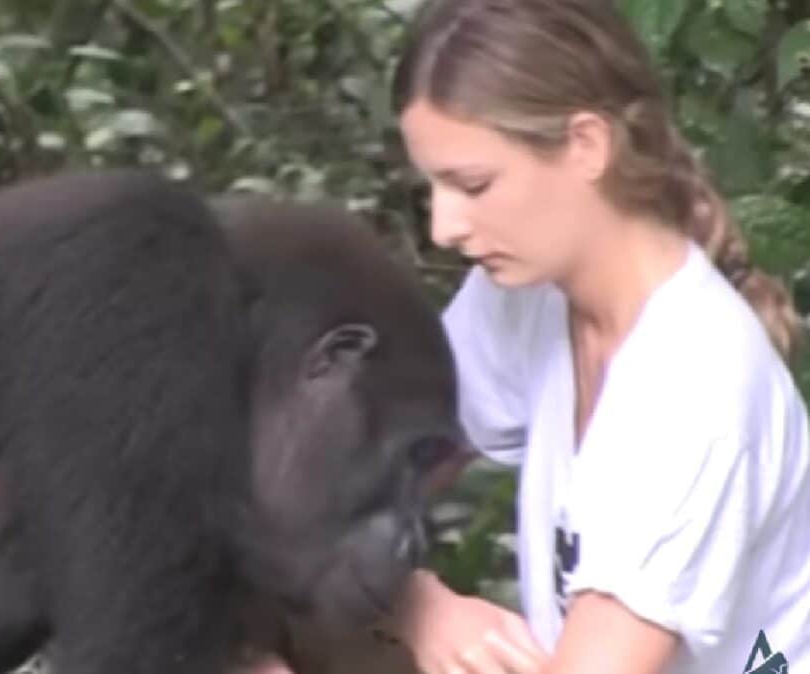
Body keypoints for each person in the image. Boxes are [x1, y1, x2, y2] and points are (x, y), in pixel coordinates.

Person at [247, 1, 810, 673]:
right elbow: (327, 479)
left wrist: (399, 601)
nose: (443, 228)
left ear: (586, 146)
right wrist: (405, 600)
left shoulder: (694, 387)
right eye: (433, 187)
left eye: (473, 185)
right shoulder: (529, 296)